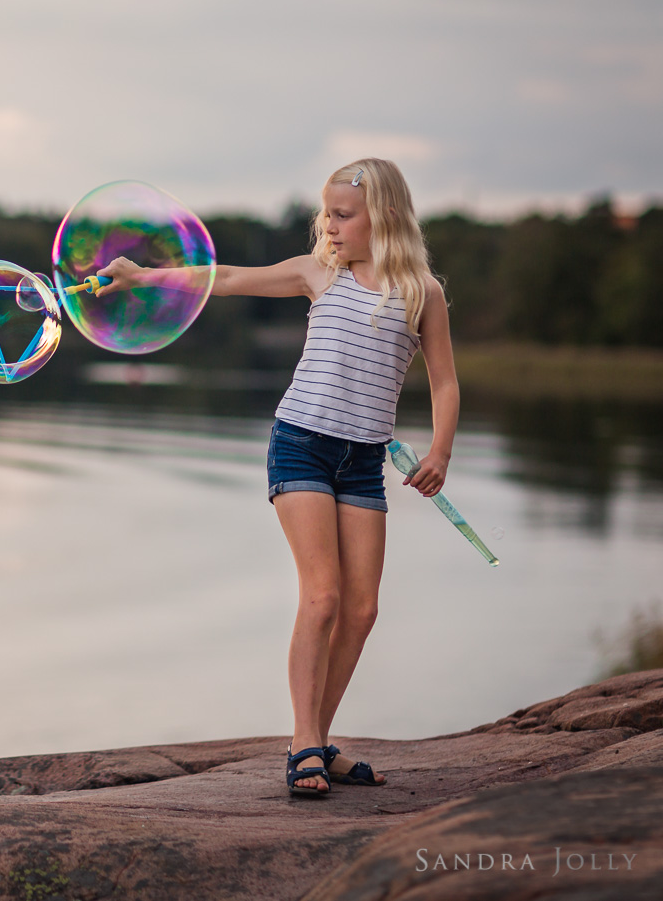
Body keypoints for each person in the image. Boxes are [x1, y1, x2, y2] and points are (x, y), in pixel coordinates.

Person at [95, 158, 459, 798]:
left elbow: (445, 380)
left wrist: (442, 451)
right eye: (327, 213)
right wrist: (144, 275)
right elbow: (228, 276)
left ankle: (317, 736)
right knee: (322, 598)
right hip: (302, 446)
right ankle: (303, 746)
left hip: (363, 462)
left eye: (343, 214)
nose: (330, 224)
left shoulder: (421, 290)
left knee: (363, 608)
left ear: (389, 216)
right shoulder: (319, 272)